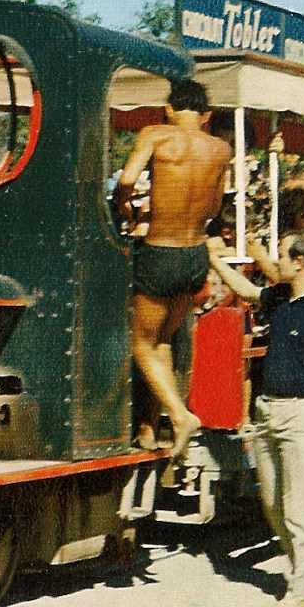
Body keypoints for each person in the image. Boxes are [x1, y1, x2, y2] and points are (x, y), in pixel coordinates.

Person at [207, 231, 304, 607]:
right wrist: (216, 262)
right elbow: (247, 290)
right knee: (271, 500)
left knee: (298, 502)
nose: (275, 261)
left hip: (303, 412)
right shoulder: (280, 298)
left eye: (281, 255)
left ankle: (299, 591)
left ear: (300, 262)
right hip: (268, 410)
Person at [115, 79, 231, 458]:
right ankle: (148, 429)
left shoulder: (155, 134)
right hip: (194, 254)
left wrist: (126, 208)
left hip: (159, 252)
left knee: (141, 344)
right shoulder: (220, 149)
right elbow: (214, 208)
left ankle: (180, 416)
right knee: (163, 340)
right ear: (207, 115)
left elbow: (127, 180)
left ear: (168, 109)